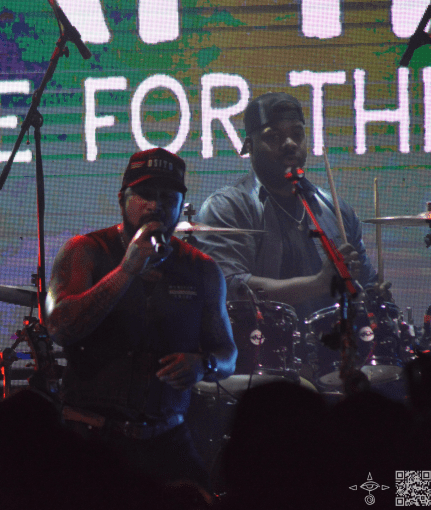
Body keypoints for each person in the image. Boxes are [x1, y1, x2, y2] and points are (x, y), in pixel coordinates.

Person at [45, 148, 237, 489]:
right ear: (122, 199)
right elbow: (60, 327)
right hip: (90, 437)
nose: (155, 205)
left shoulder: (202, 269)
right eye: (144, 195)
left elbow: (228, 354)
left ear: (181, 205)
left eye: (167, 196)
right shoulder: (86, 250)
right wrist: (127, 270)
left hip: (165, 438)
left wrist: (203, 365)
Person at [194, 92, 388, 322]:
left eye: (297, 134)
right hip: (264, 350)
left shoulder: (336, 210)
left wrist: (374, 296)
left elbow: (363, 286)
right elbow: (228, 288)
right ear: (249, 146)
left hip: (335, 349)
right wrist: (318, 284)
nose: (290, 144)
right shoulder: (227, 207)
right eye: (274, 137)